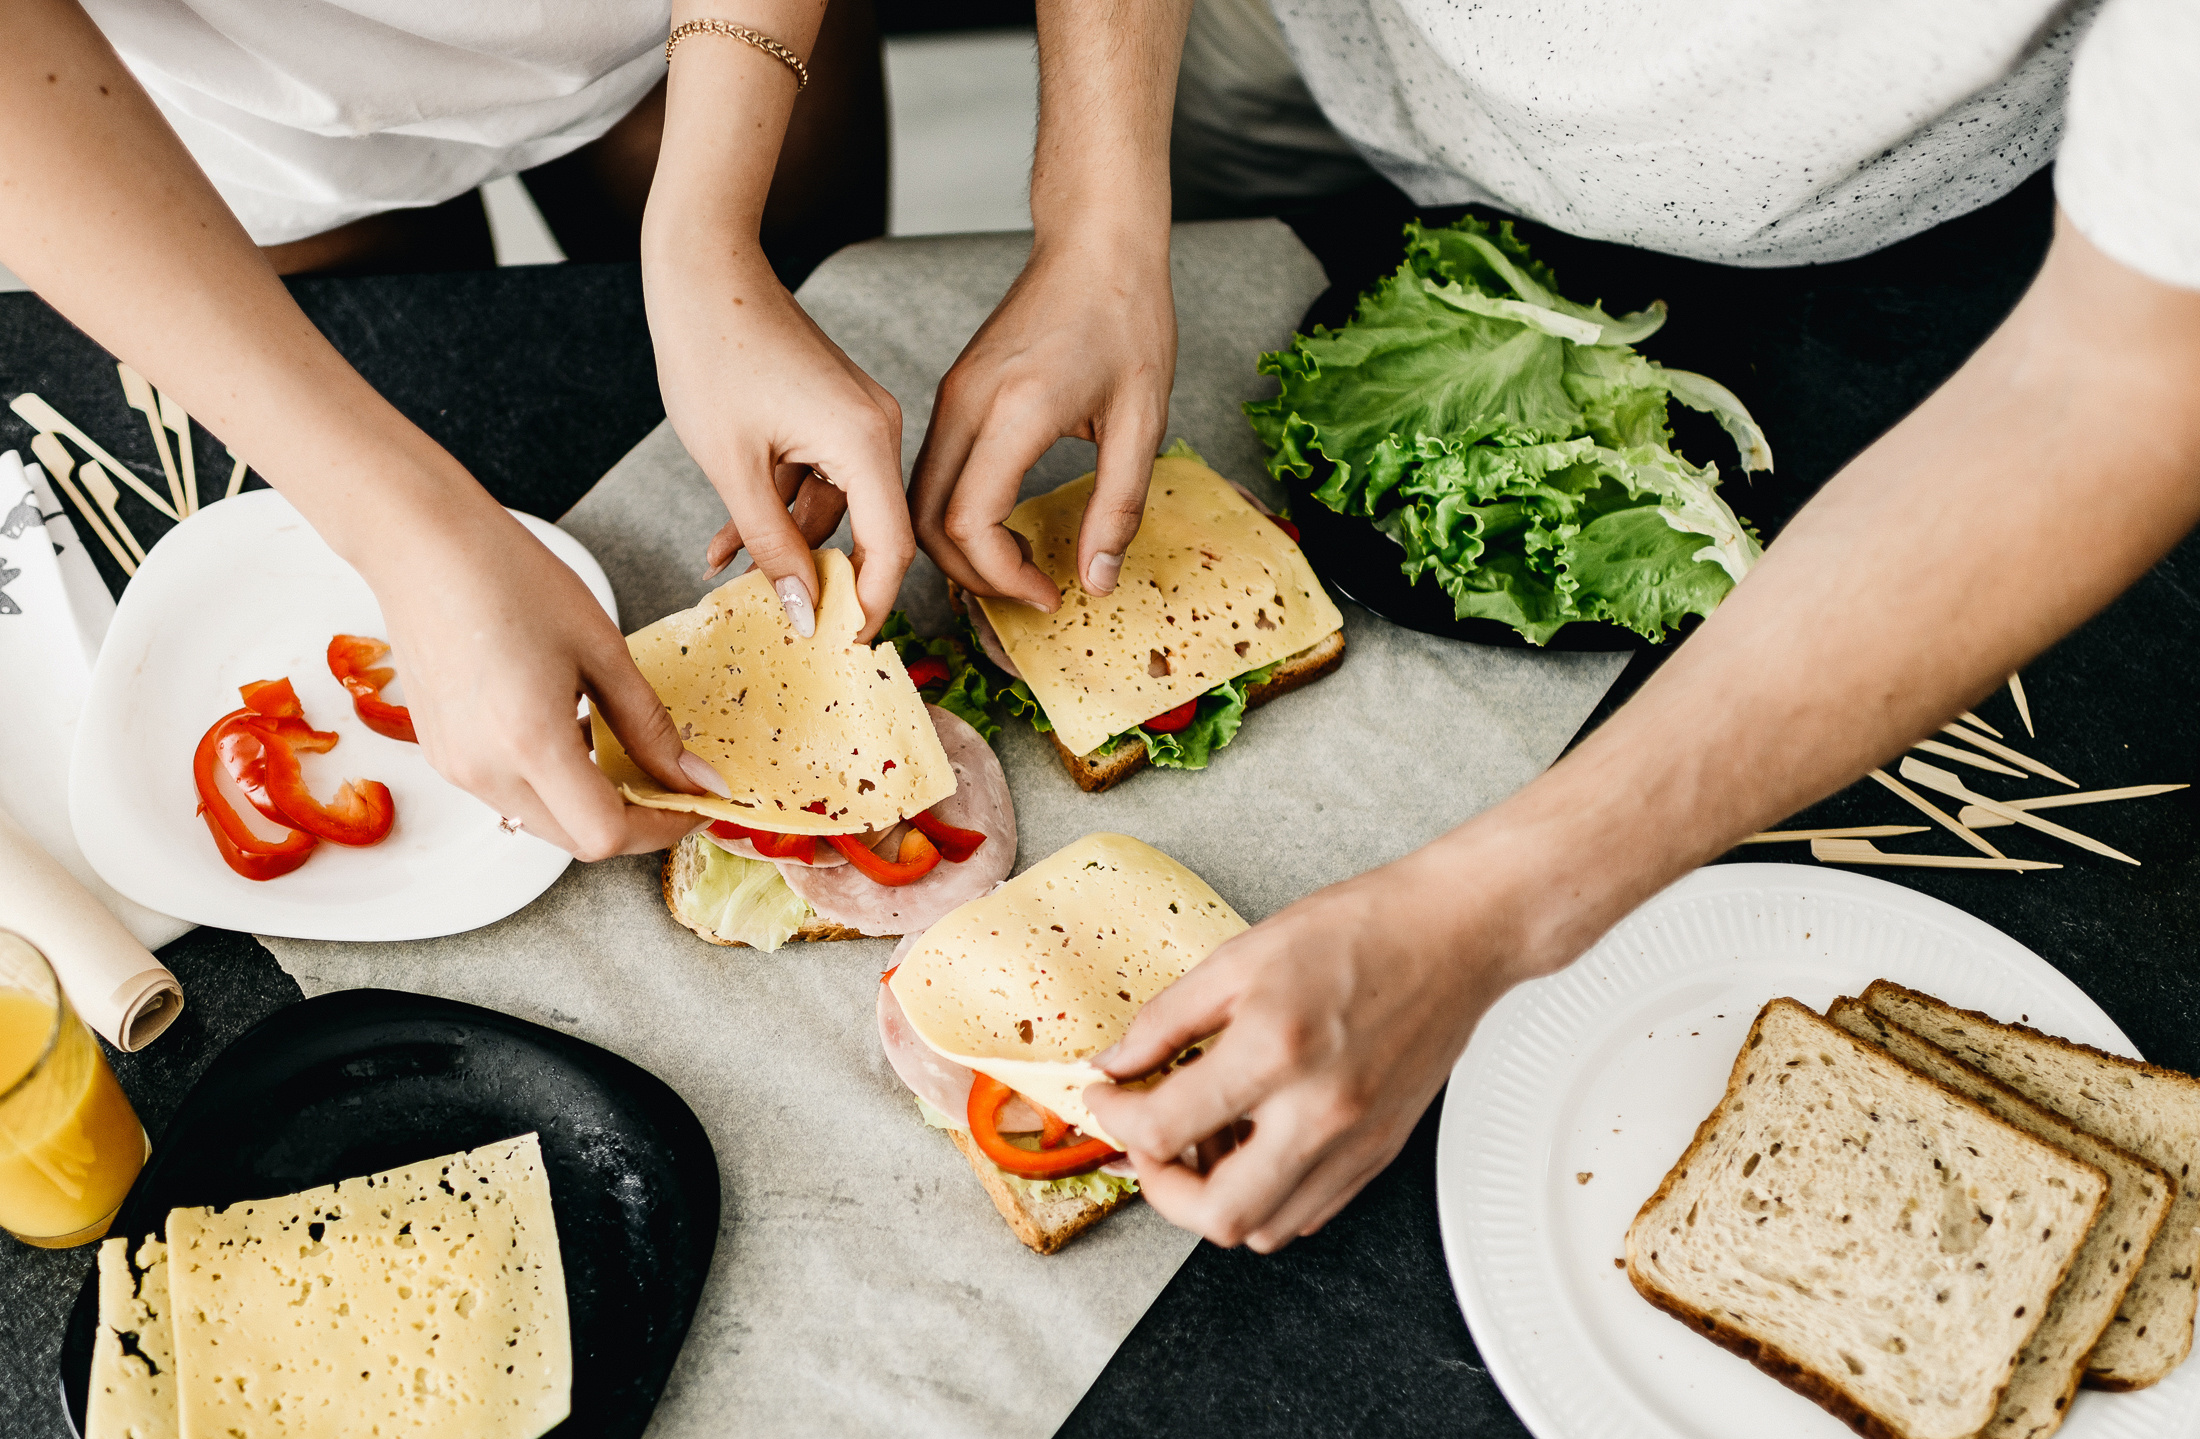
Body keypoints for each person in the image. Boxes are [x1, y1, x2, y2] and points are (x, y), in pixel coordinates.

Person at [901, 0, 2200, 1251]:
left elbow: (2109, 393)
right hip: (1309, 48)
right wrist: (1100, 220)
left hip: (1863, 218)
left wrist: (1485, 918)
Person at [0, 0, 912, 859]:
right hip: (244, 132)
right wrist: (401, 527)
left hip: (700, 38)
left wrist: (707, 228)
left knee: (814, 349)